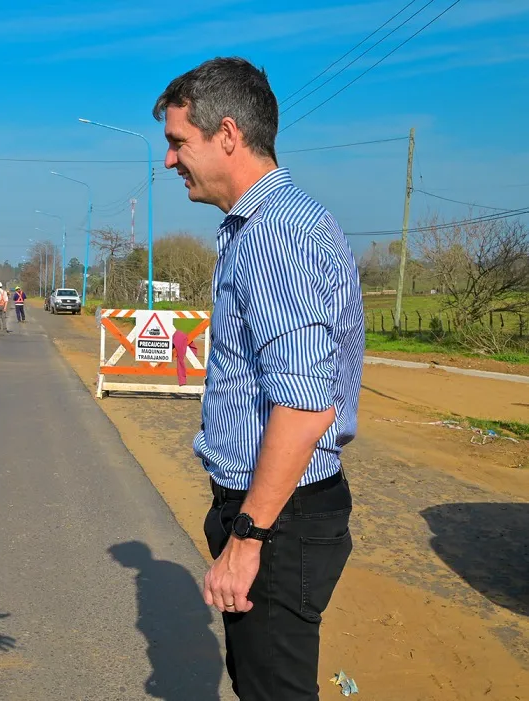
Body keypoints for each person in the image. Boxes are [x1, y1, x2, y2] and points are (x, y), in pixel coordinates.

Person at [153, 58, 364, 700]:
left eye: (177, 141)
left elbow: (305, 405)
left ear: (226, 134)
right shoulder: (261, 227)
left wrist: (248, 537)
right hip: (275, 512)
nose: (170, 162)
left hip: (279, 517)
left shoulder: (278, 237)